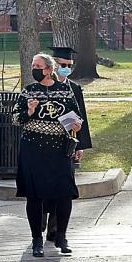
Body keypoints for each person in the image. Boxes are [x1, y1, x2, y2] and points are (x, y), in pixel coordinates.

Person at [13, 53, 82, 257]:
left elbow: (76, 115)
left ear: (49, 69)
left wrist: (76, 125)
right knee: (34, 195)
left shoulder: (65, 90)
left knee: (64, 192)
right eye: (33, 65)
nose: (34, 68)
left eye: (38, 66)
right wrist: (30, 111)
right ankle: (36, 239)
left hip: (59, 149)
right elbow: (16, 119)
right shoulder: (29, 91)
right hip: (33, 149)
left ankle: (61, 236)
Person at [43, 45, 93, 240]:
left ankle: (54, 229)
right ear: (54, 65)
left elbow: (82, 118)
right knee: (43, 186)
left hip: (67, 146)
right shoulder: (44, 85)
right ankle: (39, 221)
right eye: (62, 65)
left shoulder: (74, 88)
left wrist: (79, 145)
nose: (65, 69)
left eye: (69, 65)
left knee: (62, 188)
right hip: (45, 146)